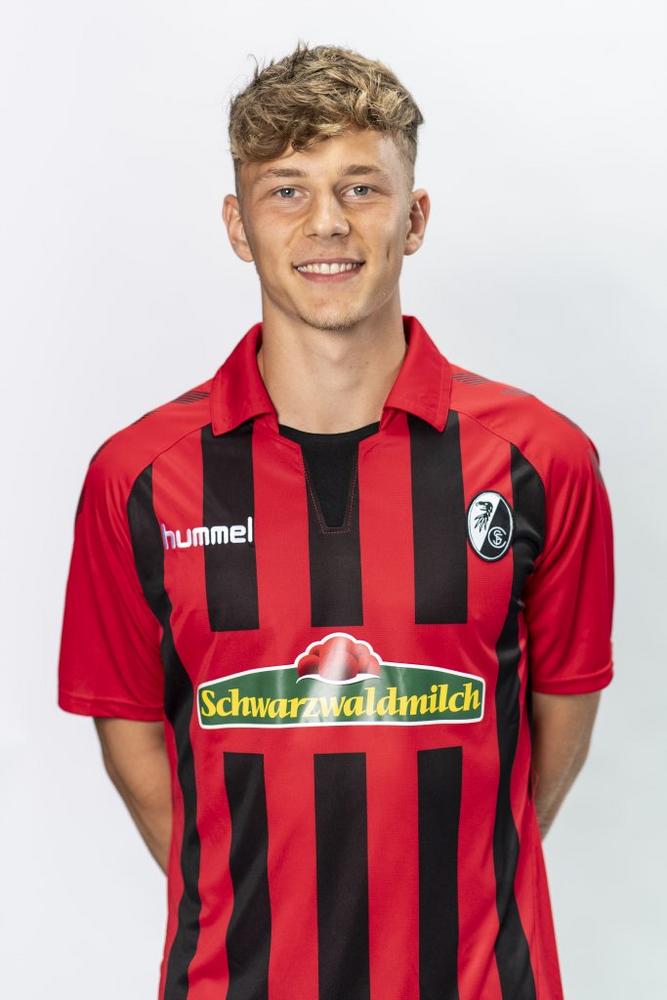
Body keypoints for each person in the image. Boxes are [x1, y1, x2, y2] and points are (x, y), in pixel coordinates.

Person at [57, 41, 615, 1000]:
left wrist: (462, 873)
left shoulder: (539, 459)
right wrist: (247, 898)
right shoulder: (138, 477)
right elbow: (130, 731)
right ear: (238, 225)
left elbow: (559, 715)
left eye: (361, 188)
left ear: (414, 216)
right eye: (287, 191)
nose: (328, 223)